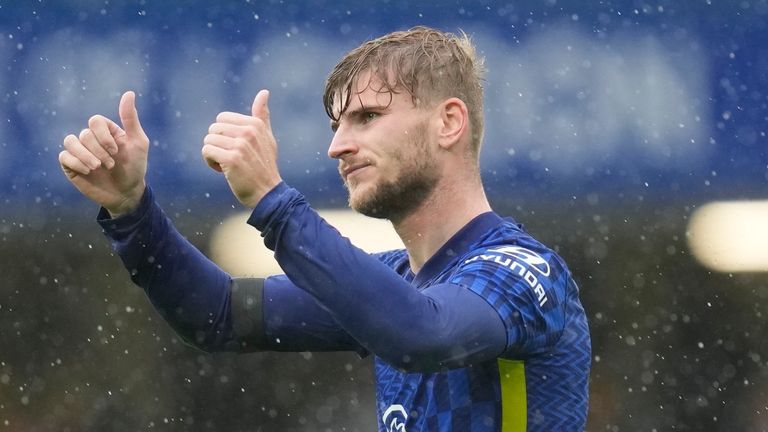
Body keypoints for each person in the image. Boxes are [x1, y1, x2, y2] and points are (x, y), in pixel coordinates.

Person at [58, 26, 590, 432]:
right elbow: (216, 315)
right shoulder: (398, 284)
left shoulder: (520, 270)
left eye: (366, 117)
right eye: (336, 128)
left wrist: (273, 201)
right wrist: (133, 210)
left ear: (449, 122)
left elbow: (425, 335)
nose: (338, 146)